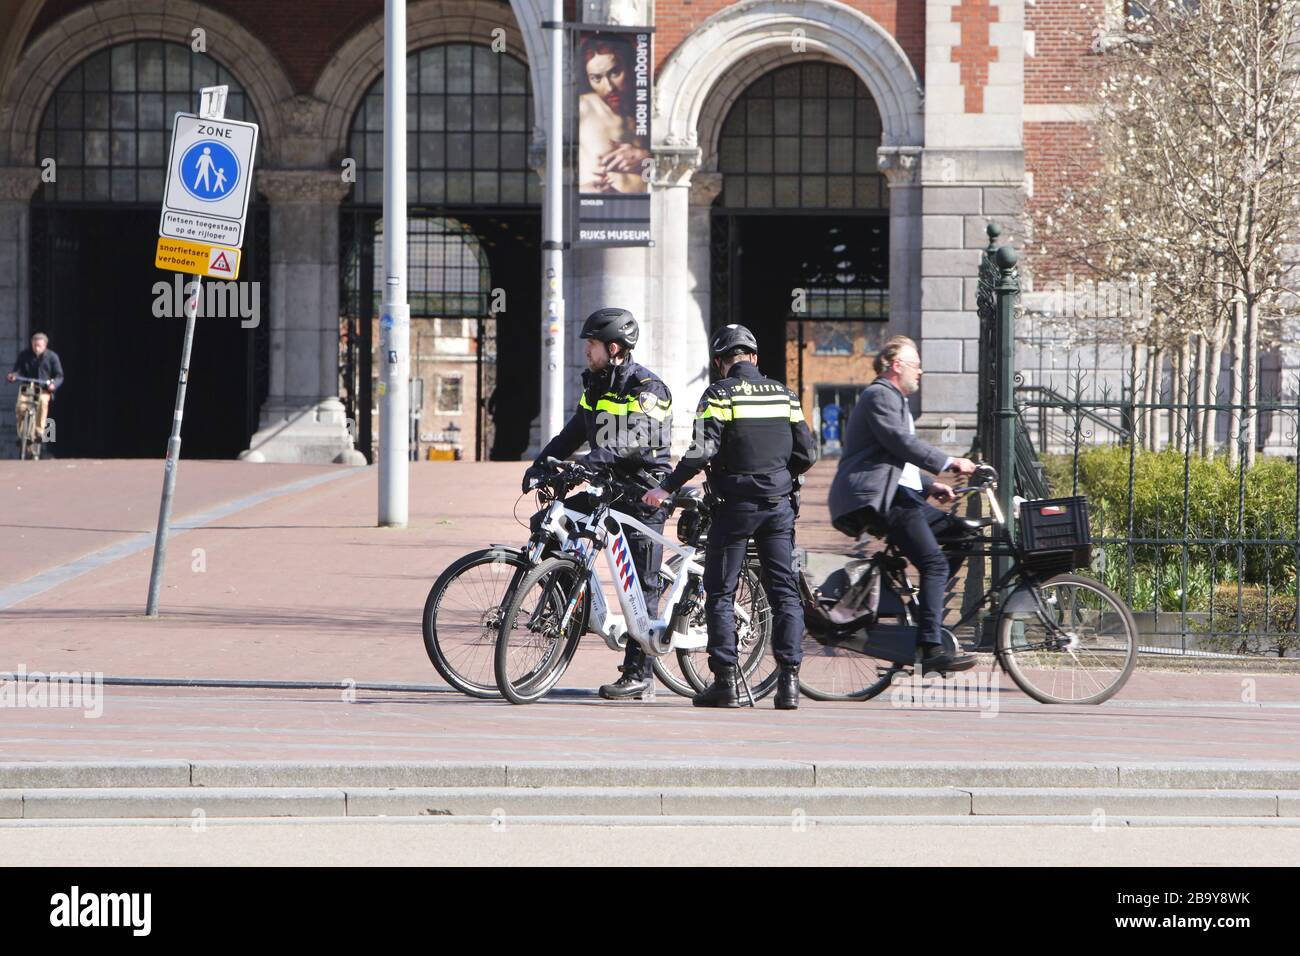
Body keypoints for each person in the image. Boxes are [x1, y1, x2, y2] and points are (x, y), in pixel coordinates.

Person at [643, 324, 817, 710]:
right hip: (779, 507)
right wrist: (779, 478)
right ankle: (789, 684)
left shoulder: (719, 394)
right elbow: (808, 453)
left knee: (720, 591)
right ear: (754, 357)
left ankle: (726, 684)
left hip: (735, 508)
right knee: (784, 592)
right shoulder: (785, 396)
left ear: (721, 362)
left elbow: (701, 451)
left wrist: (667, 487)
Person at [523, 307, 673, 700]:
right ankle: (567, 599)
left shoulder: (649, 388)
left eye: (591, 344)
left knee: (643, 584)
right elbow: (572, 433)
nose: (586, 351)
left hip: (643, 494)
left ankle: (639, 673)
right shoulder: (596, 387)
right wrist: (541, 465)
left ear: (614, 348)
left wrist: (590, 463)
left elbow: (634, 438)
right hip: (609, 489)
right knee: (550, 521)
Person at [827, 335, 978, 673]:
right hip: (879, 499)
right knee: (935, 564)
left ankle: (927, 609)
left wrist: (930, 485)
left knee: (962, 534)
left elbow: (897, 458)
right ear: (897, 366)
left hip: (898, 493)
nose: (921, 372)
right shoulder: (879, 395)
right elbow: (899, 442)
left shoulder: (893, 399)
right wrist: (948, 462)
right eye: (916, 365)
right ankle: (929, 646)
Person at [577, 34, 650, 194]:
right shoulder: (583, 106)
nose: (609, 87)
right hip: (595, 210)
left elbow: (675, 164)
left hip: (645, 210)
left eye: (615, 72)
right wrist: (585, 191)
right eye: (596, 78)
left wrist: (644, 157)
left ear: (630, 67)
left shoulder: (648, 108)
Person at [8, 331, 63, 458]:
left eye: (39, 346)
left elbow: (59, 375)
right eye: (34, 345)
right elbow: (17, 370)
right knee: (20, 407)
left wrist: (53, 384)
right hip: (27, 388)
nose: (36, 348)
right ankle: (22, 434)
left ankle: (39, 431)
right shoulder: (24, 355)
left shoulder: (52, 357)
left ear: (45, 346)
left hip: (43, 389)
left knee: (43, 404)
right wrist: (13, 376)